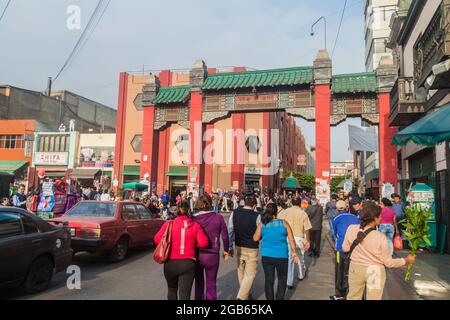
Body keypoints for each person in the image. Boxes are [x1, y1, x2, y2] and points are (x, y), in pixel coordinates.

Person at [343, 202, 416, 300]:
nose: (381, 218)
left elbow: (345, 248)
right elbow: (388, 263)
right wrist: (406, 261)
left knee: (353, 297)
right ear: (374, 218)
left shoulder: (351, 228)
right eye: (380, 216)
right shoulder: (380, 237)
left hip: (355, 268)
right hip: (375, 271)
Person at [154, 200, 209, 300]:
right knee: (184, 295)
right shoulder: (196, 226)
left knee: (171, 290)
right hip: (188, 264)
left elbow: (156, 239)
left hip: (170, 263)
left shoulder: (169, 224)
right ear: (189, 211)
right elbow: (204, 243)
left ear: (176, 211)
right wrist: (193, 242)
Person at [253, 203, 299, 300]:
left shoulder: (263, 224)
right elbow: (291, 240)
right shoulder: (284, 223)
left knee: (269, 280)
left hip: (267, 256)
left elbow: (255, 238)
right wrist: (294, 252)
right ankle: (280, 298)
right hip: (282, 256)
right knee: (282, 279)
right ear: (276, 212)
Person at [191, 195, 230, 300]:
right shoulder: (218, 217)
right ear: (210, 204)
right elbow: (225, 237)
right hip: (213, 254)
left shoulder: (193, 218)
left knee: (199, 282)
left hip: (197, 254)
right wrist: (226, 250)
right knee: (211, 282)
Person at [227, 194, 261, 300]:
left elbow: (230, 230)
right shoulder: (257, 216)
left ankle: (246, 293)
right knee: (250, 274)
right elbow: (260, 232)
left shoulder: (235, 213)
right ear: (254, 205)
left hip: (239, 246)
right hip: (252, 248)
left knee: (241, 271)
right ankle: (241, 297)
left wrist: (229, 246)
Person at [278, 197, 311, 289]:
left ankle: (289, 282)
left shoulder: (285, 212)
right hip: (299, 239)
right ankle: (301, 275)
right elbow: (307, 228)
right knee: (301, 257)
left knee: (290, 259)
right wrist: (308, 240)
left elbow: (279, 222)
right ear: (300, 203)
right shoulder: (303, 213)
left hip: (288, 238)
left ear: (291, 203)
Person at [330, 200, 360, 300]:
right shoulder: (355, 217)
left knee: (340, 270)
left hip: (340, 248)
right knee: (352, 270)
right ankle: (352, 292)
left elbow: (334, 233)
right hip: (354, 248)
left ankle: (340, 293)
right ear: (346, 208)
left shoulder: (336, 218)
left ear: (337, 209)